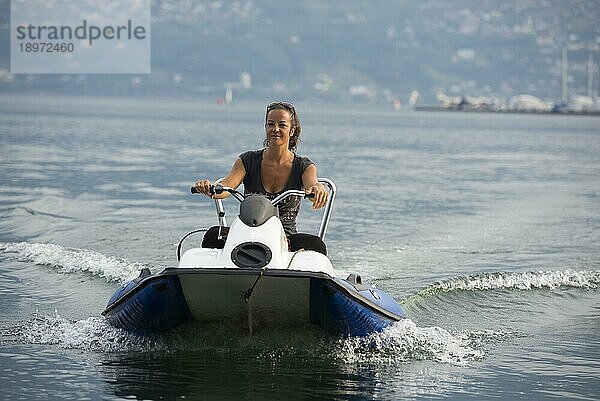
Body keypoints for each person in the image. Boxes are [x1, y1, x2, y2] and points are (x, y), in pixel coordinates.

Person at [194, 101, 328, 252]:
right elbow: (225, 188)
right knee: (213, 235)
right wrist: (209, 188)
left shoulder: (303, 166)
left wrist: (318, 189)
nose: (275, 129)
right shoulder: (247, 160)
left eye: (282, 125)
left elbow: (312, 186)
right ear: (265, 128)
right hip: (248, 234)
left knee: (316, 245)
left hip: (285, 240)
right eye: (270, 124)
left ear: (292, 130)